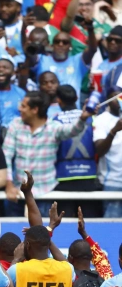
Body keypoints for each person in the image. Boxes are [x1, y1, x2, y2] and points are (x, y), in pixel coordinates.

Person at [3, 91, 92, 216]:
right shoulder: (15, 125)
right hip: (17, 193)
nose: (19, 108)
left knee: (42, 234)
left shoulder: (54, 128)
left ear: (35, 109)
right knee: (13, 234)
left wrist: (83, 118)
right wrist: (9, 184)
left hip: (43, 194)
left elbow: (72, 130)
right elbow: (6, 155)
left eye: (23, 106)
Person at [52, 85, 101, 217]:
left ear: (58, 100)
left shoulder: (54, 120)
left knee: (64, 223)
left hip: (63, 176)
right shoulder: (91, 117)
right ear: (77, 98)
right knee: (90, 222)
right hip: (89, 174)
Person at [94, 89, 122, 217]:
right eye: (114, 97)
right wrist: (114, 131)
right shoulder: (101, 120)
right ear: (108, 102)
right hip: (113, 182)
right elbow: (99, 150)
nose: (119, 100)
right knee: (112, 224)